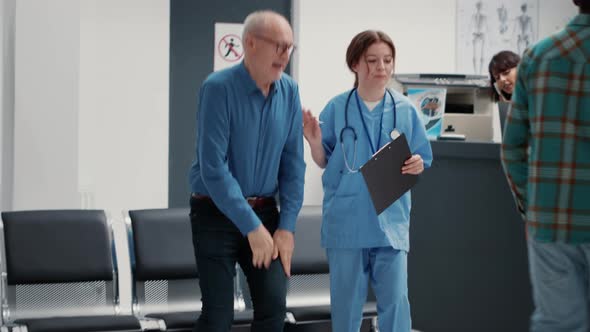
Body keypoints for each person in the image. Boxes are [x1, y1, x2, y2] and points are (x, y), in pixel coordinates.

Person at [303, 30, 432, 332]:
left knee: (397, 307)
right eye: (372, 60)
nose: (382, 68)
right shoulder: (337, 108)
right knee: (346, 309)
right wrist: (313, 143)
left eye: (387, 60)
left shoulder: (406, 110)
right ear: (355, 64)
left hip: (391, 222)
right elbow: (325, 160)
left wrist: (416, 165)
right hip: (348, 223)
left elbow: (421, 159)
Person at [188, 10, 305, 332]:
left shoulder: (290, 92)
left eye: (289, 47)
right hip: (214, 213)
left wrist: (287, 227)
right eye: (278, 45)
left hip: (267, 213)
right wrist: (251, 227)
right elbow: (213, 167)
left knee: (272, 310)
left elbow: (293, 165)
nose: (285, 54)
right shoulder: (218, 88)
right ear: (250, 43)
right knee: (217, 317)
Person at [501, 1, 590, 330]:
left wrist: (532, 208)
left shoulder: (538, 57)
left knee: (558, 324)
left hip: (553, 221)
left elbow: (512, 147)